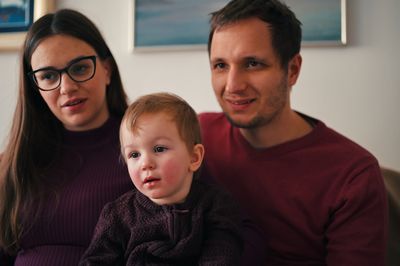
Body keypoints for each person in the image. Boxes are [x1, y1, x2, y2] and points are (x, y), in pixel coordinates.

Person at [199, 0, 388, 265]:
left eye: (252, 63)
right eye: (220, 65)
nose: (233, 85)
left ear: (293, 70)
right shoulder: (196, 138)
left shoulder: (352, 174)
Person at [0, 9, 134, 266]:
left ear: (107, 70)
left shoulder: (152, 150)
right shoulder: (18, 162)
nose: (67, 87)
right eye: (49, 76)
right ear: (34, 87)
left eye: (80, 68)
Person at [79, 92, 243, 265]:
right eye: (134, 154)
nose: (145, 163)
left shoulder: (215, 205)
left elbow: (222, 253)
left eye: (159, 149)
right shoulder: (118, 216)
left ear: (194, 157)